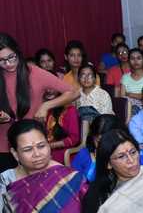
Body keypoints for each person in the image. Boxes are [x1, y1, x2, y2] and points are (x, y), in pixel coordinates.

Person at [0, 34, 80, 171]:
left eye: (11, 57)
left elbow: (74, 92)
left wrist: (46, 105)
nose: (8, 64)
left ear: (18, 52)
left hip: (32, 146)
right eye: (1, 60)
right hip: (3, 147)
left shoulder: (34, 73)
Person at [70, 114, 131, 181]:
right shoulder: (83, 155)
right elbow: (74, 182)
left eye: (109, 141)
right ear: (92, 137)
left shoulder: (130, 153)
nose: (103, 146)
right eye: (99, 142)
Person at [118, 48, 143, 113]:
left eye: (139, 58)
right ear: (129, 61)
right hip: (129, 109)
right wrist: (140, 96)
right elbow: (123, 99)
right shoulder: (125, 77)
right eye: (132, 58)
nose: (135, 61)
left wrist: (130, 94)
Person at [44, 96, 80, 165]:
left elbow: (74, 139)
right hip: (47, 150)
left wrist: (50, 146)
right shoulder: (48, 109)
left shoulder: (70, 110)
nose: (49, 91)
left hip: (63, 153)